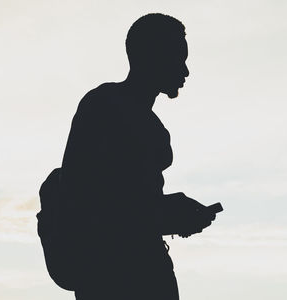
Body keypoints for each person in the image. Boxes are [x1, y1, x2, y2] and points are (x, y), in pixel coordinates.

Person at [58, 13, 216, 300]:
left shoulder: (136, 118)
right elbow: (105, 207)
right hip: (117, 277)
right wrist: (170, 212)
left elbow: (132, 207)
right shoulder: (106, 107)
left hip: (142, 271)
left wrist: (174, 215)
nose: (186, 71)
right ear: (152, 56)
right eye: (178, 58)